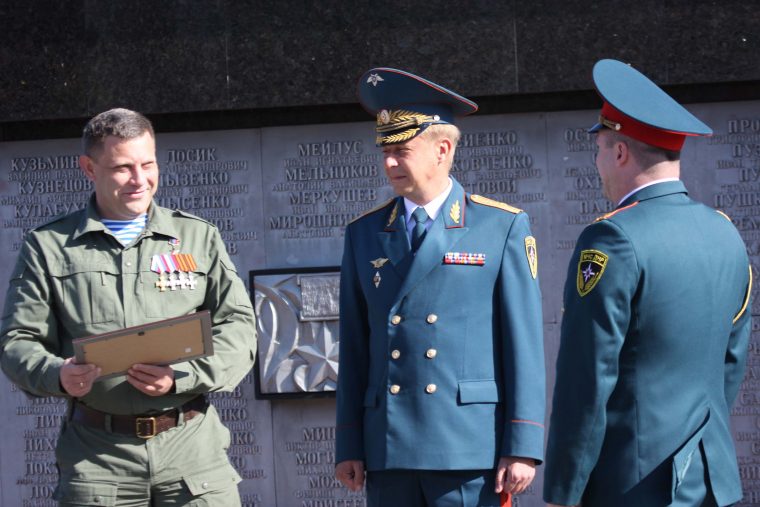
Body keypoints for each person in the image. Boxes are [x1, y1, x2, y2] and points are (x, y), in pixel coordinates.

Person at [0, 108, 256, 505]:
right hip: (97, 459)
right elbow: (17, 341)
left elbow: (238, 326)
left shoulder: (197, 236)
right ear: (89, 168)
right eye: (123, 168)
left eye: (147, 164)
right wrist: (57, 374)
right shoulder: (48, 246)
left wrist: (182, 376)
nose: (140, 180)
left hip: (192, 454)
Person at [543, 59, 753, 507]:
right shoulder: (725, 232)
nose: (598, 163)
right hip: (709, 479)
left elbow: (587, 376)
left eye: (599, 149)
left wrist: (564, 490)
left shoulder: (612, 238)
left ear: (620, 152)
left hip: (633, 484)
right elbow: (731, 360)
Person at [335, 68, 545, 507]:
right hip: (389, 447)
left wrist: (522, 444)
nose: (390, 163)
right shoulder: (364, 233)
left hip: (467, 447)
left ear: (442, 150)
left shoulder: (500, 226)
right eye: (385, 152)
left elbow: (523, 343)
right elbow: (354, 346)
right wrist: (349, 443)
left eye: (402, 151)